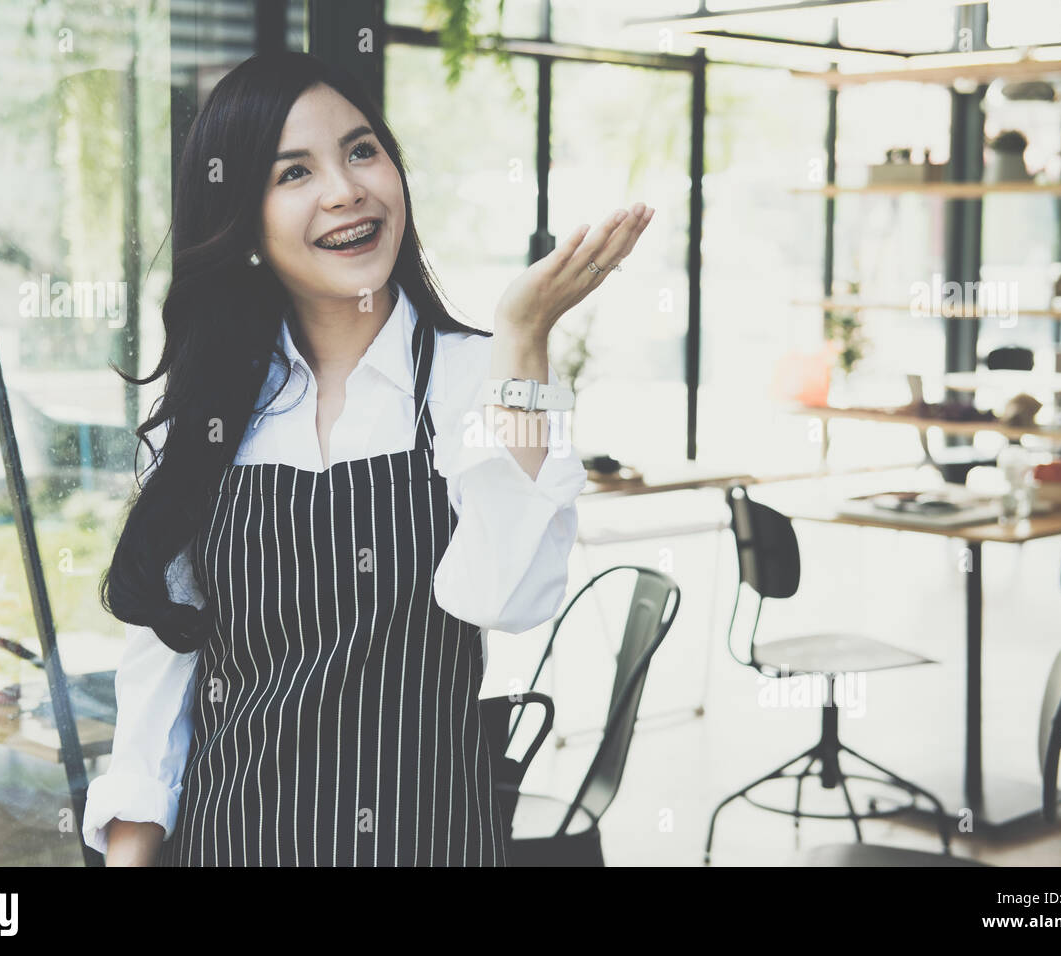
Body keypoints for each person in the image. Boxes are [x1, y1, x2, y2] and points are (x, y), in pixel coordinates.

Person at [83, 50, 653, 867]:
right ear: (242, 219)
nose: (345, 188)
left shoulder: (480, 376)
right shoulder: (206, 406)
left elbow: (508, 595)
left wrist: (524, 340)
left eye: (360, 151)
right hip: (234, 843)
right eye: (293, 172)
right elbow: (159, 680)